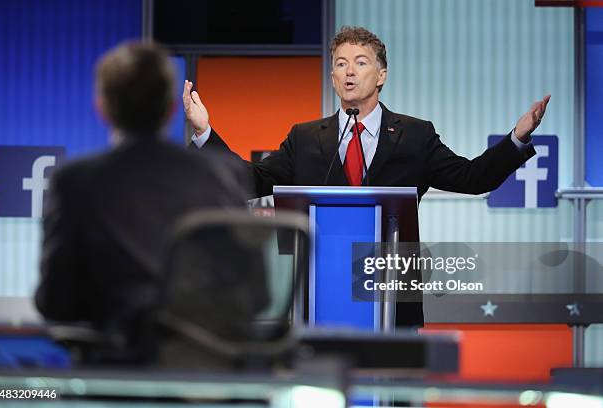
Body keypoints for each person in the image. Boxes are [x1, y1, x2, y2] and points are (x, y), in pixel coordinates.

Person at [183, 26, 550, 326]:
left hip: (392, 290)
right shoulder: (305, 138)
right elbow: (250, 181)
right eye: (340, 64)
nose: (349, 72)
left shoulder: (415, 135)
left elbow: (472, 178)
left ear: (382, 75)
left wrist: (516, 139)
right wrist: (204, 134)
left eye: (360, 63)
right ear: (332, 76)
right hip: (320, 289)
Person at [35, 42, 252, 361]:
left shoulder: (74, 182)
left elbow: (55, 302)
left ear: (102, 107)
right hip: (204, 374)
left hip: (113, 371)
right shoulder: (224, 174)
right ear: (170, 108)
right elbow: (253, 296)